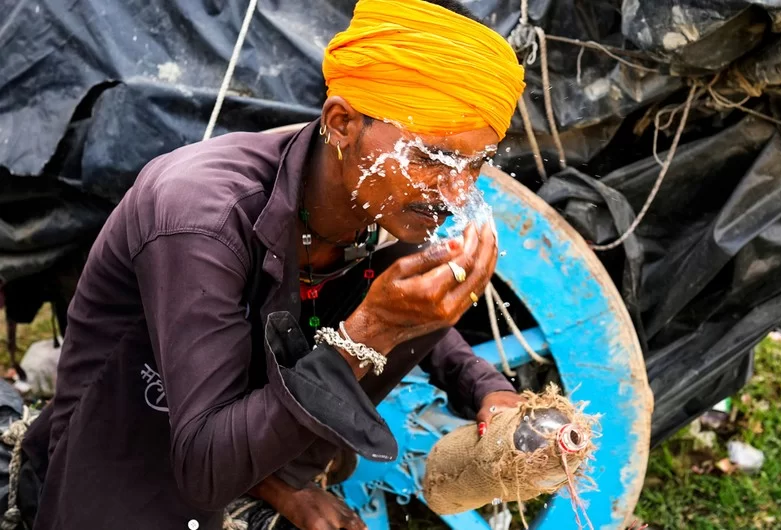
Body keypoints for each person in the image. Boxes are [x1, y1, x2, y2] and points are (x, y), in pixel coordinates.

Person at [20, 0, 527, 528]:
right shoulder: (201, 216)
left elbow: (400, 302)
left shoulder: (370, 197)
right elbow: (204, 472)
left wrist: (485, 385)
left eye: (476, 165)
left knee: (403, 278)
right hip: (137, 457)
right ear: (342, 122)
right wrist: (371, 330)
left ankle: (278, 478)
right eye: (432, 158)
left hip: (253, 439)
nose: (456, 191)